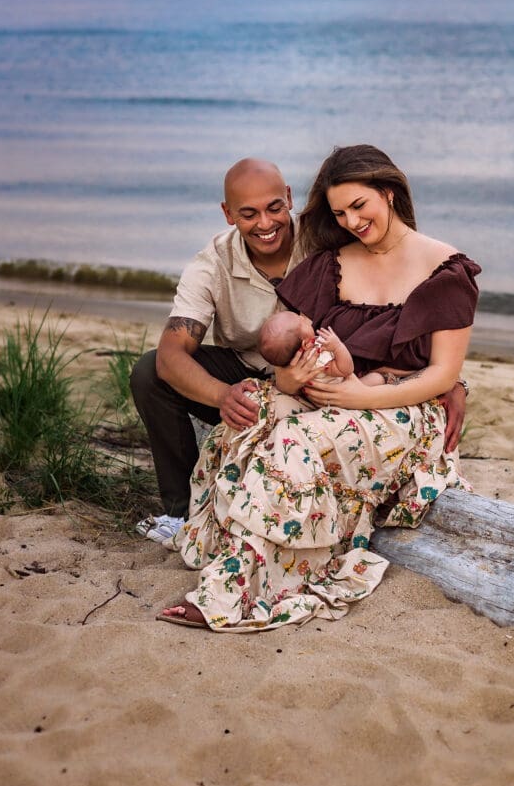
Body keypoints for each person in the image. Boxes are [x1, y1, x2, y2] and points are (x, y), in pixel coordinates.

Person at [158, 144, 481, 632]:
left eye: (359, 206)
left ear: (388, 194)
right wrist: (287, 382)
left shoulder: (444, 270)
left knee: (295, 441)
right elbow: (300, 346)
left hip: (404, 407)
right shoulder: (332, 264)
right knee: (253, 420)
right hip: (338, 394)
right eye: (339, 213)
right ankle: (229, 543)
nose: (351, 221)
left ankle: (230, 592)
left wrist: (362, 397)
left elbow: (439, 375)